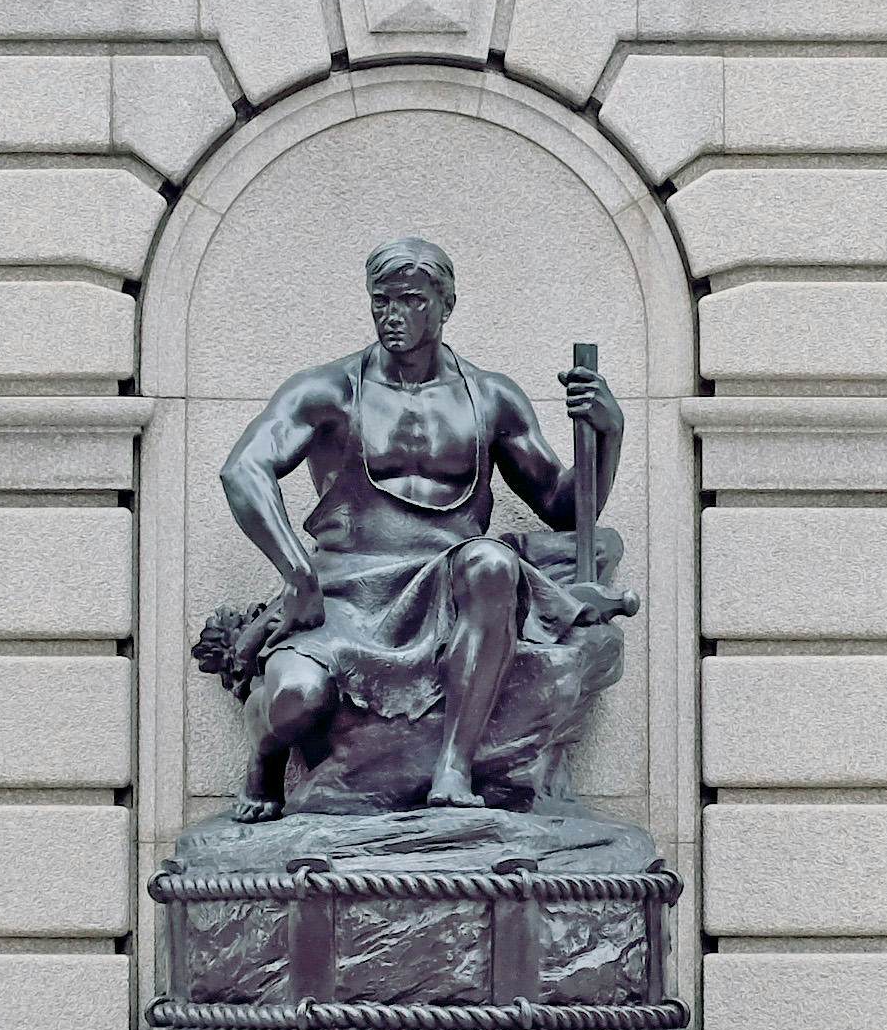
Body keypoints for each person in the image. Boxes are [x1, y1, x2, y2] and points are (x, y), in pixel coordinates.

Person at [210, 235, 626, 817]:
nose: (392, 316)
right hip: (344, 594)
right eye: (381, 301)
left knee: (492, 561)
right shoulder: (328, 390)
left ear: (445, 304)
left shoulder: (491, 397)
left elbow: (564, 506)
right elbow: (243, 470)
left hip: (444, 586)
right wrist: (296, 571)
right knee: (295, 700)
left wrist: (609, 434)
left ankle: (452, 769)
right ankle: (265, 759)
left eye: (409, 301)